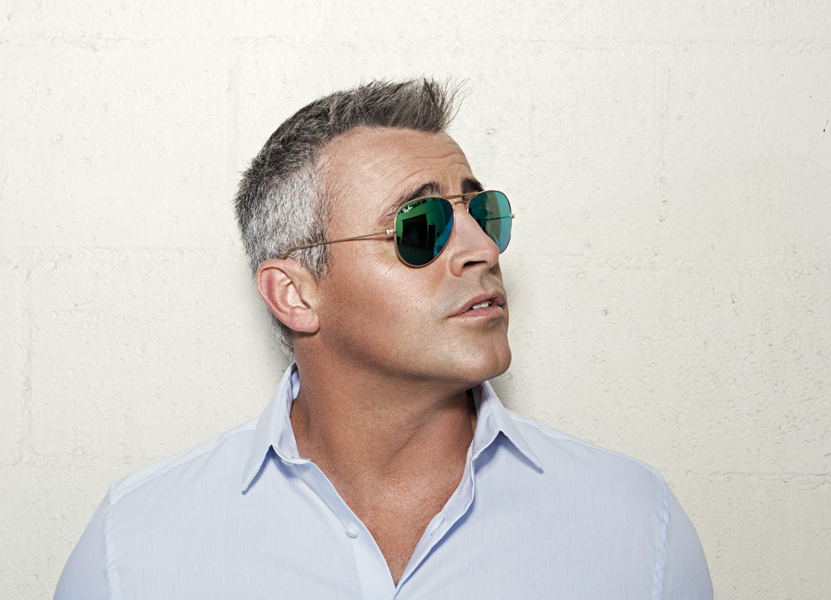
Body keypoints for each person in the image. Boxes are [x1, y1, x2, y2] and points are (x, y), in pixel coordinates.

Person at [54, 79, 712, 599]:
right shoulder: (134, 547)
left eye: (482, 214)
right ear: (294, 293)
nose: (483, 250)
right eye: (420, 226)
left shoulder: (635, 527)